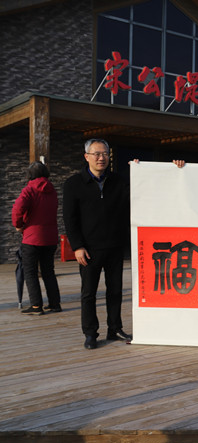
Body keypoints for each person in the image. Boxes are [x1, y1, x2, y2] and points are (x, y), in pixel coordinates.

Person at [63, 139, 131, 349]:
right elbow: (69, 218)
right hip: (88, 249)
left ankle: (114, 328)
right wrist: (77, 246)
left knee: (115, 291)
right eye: (97, 154)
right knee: (89, 293)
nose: (101, 158)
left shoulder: (119, 181)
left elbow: (142, 191)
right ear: (87, 157)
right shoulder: (73, 184)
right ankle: (90, 333)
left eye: (105, 154)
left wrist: (138, 169)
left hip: (114, 246)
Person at [12, 161, 61, 315]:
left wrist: (18, 225)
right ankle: (54, 304)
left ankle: (36, 306)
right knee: (48, 271)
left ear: (30, 175)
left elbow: (17, 209)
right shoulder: (52, 191)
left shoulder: (29, 190)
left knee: (30, 272)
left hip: (32, 238)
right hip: (50, 238)